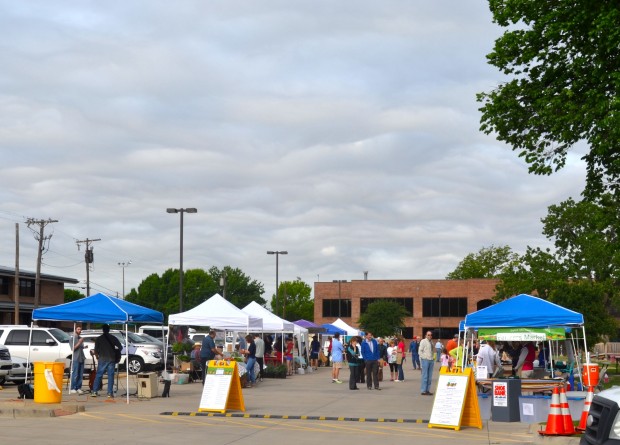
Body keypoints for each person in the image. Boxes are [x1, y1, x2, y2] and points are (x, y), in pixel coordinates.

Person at [91, 324, 122, 398]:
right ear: (109, 330)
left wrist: (97, 357)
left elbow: (95, 351)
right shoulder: (113, 338)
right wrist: (115, 352)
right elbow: (120, 347)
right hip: (111, 358)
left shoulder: (99, 339)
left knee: (99, 375)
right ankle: (109, 393)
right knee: (110, 376)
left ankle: (95, 391)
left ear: (103, 330)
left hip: (102, 358)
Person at [69, 325, 86, 395]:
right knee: (75, 373)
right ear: (75, 330)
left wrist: (83, 346)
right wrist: (79, 342)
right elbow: (73, 348)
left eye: (80, 329)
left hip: (81, 357)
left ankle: (78, 387)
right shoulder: (72, 338)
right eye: (78, 329)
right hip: (76, 358)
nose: (80, 331)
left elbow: (80, 347)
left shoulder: (79, 338)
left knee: (80, 374)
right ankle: (73, 387)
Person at [419, 330, 435, 396]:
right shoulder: (423, 341)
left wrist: (433, 358)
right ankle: (423, 390)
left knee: (430, 376)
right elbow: (420, 351)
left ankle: (427, 390)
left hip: (431, 360)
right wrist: (423, 357)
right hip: (425, 360)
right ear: (426, 335)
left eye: (431, 335)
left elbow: (432, 350)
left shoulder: (431, 342)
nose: (430, 336)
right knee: (425, 376)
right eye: (428, 335)